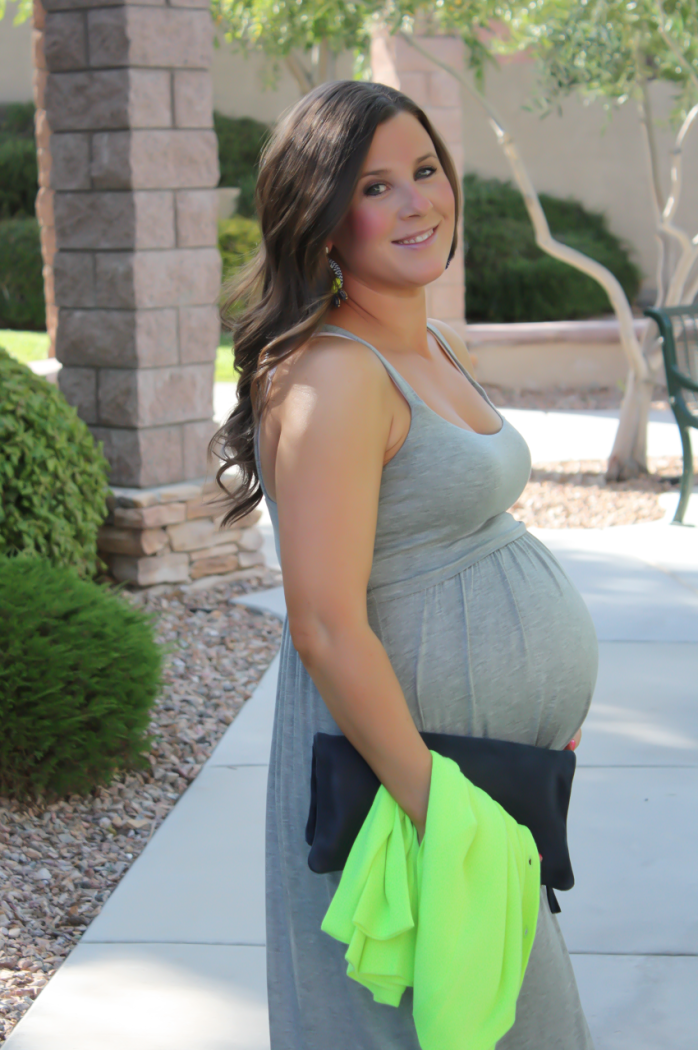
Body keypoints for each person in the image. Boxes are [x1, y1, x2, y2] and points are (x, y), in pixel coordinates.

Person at [211, 79, 599, 1050]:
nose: (417, 201)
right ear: (323, 219)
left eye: (423, 170)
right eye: (375, 186)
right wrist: (443, 815)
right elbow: (324, 623)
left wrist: (532, 742)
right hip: (408, 794)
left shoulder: (426, 341)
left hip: (484, 787)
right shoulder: (335, 374)